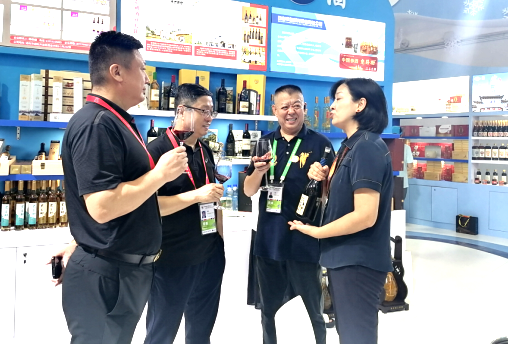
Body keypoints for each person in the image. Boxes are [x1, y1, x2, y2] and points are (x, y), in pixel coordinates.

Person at [58, 31, 188, 344]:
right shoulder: (97, 124)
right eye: (142, 69)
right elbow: (102, 206)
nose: (147, 79)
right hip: (108, 274)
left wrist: (81, 241)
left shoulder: (116, 120)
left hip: (118, 271)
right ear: (117, 72)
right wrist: (160, 175)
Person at [289, 78, 393, 344]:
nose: (332, 106)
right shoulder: (350, 147)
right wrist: (326, 181)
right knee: (349, 333)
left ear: (360, 104)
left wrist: (317, 232)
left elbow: (365, 215)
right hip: (345, 259)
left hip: (358, 262)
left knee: (356, 336)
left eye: (339, 98)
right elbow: (341, 201)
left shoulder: (367, 147)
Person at [244, 85, 335, 344]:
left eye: (296, 105)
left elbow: (332, 194)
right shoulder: (264, 143)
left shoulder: (320, 144)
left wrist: (323, 179)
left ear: (304, 108)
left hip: (304, 240)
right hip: (269, 240)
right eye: (284, 106)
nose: (291, 111)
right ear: (275, 110)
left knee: (313, 312)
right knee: (269, 312)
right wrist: (259, 171)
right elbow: (249, 190)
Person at [144, 83, 225, 344]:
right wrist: (196, 196)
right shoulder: (156, 151)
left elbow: (212, 198)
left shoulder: (205, 149)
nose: (209, 118)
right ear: (181, 110)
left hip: (209, 256)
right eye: (204, 111)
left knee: (201, 334)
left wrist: (220, 241)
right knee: (161, 333)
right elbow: (147, 206)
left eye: (212, 112)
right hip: (172, 259)